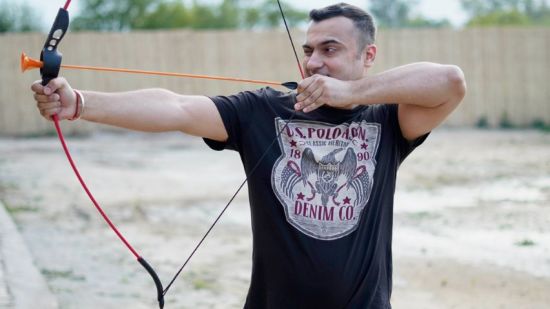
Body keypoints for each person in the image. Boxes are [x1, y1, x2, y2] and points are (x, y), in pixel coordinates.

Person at [31, 3, 466, 308]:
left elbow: (450, 81)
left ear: (367, 56)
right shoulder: (265, 109)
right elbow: (177, 108)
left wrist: (350, 93)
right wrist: (82, 103)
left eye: (330, 49)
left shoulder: (387, 121)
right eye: (309, 50)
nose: (313, 62)